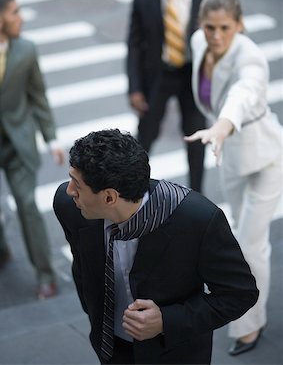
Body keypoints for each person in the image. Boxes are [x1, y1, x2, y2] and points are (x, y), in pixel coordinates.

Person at [53, 128, 258, 365]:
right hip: (110, 348)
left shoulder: (198, 220)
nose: (70, 191)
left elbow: (240, 294)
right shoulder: (69, 207)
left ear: (109, 197)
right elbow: (82, 268)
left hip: (175, 353)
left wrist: (166, 321)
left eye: (77, 184)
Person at [184, 0, 283, 356]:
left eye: (225, 27)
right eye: (210, 27)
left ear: (239, 26)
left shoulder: (251, 59)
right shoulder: (198, 42)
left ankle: (249, 326)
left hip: (265, 156)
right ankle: (248, 315)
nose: (216, 36)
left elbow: (242, 94)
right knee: (238, 236)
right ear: (201, 25)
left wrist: (220, 128)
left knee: (250, 244)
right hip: (231, 158)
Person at [0, 0, 65, 299]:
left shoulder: (27, 50)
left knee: (27, 203)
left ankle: (45, 274)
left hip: (19, 143)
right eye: (15, 13)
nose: (21, 18)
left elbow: (38, 96)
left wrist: (51, 138)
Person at [126, 0, 214, 193]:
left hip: (191, 77)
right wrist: (134, 88)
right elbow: (133, 44)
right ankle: (136, 198)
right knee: (144, 139)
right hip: (158, 77)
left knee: (196, 140)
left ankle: (197, 199)